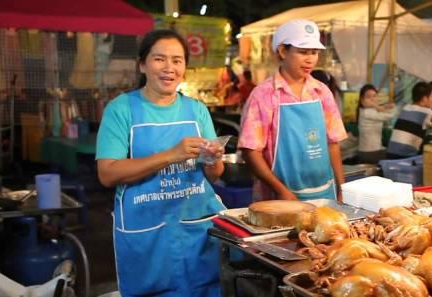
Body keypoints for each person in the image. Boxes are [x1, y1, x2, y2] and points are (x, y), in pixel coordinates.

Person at [96, 29, 226, 296]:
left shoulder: (197, 110)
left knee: (207, 288)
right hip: (147, 230)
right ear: (143, 64)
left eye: (177, 60)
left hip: (197, 228)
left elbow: (214, 175)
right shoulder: (121, 109)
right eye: (159, 59)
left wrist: (212, 159)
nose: (169, 68)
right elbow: (107, 173)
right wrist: (171, 155)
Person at [238, 19, 347, 202]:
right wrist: (281, 191)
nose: (310, 59)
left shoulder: (321, 92)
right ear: (282, 51)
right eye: (303, 52)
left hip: (324, 193)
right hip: (279, 198)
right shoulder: (263, 95)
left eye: (314, 52)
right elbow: (251, 152)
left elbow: (332, 142)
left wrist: (342, 188)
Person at [386, 82, 432, 159]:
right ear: (424, 99)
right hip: (406, 158)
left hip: (390, 154)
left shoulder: (405, 108)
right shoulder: (428, 113)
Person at [357, 84, 395, 163]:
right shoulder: (367, 112)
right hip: (371, 152)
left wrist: (382, 107)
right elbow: (390, 115)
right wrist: (378, 106)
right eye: (368, 97)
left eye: (374, 96)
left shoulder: (365, 110)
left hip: (369, 151)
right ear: (362, 99)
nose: (372, 99)